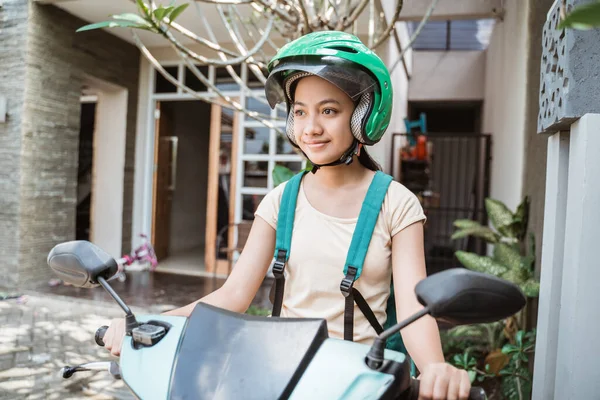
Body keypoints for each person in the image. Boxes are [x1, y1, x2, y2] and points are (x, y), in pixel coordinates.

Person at [103, 31, 471, 399]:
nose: (311, 127)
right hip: (281, 378)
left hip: (360, 385)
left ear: (363, 117)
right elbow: (232, 295)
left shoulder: (397, 203)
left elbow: (411, 308)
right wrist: (153, 323)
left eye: (329, 111)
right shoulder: (281, 200)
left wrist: (435, 367)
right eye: (300, 112)